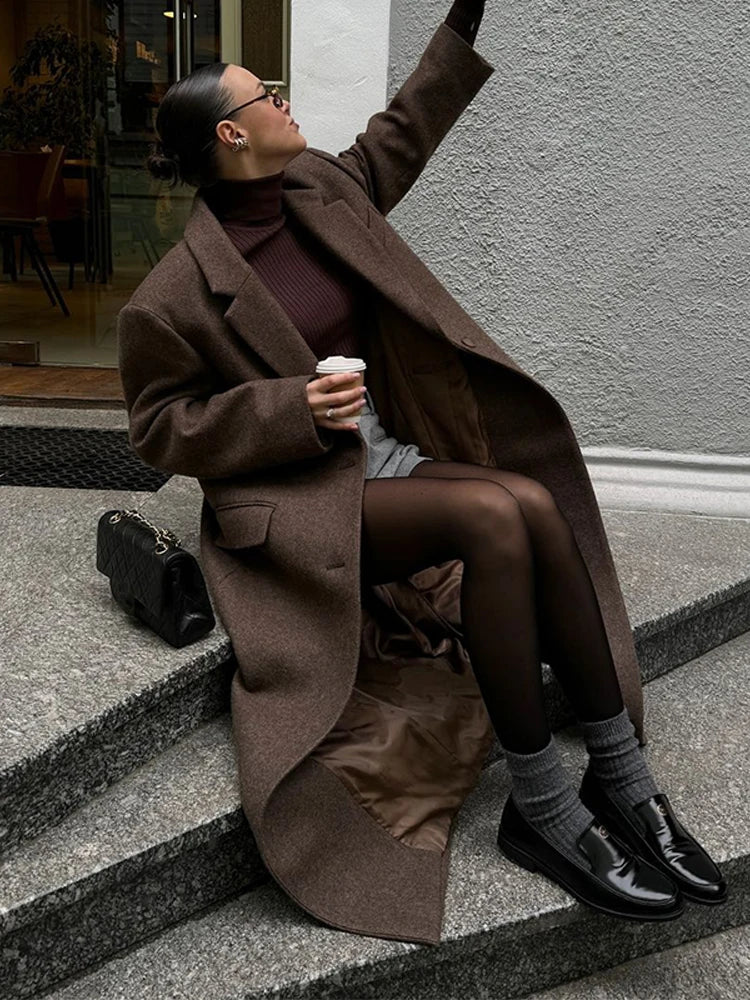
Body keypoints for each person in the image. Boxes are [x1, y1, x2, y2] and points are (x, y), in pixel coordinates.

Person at [120, 0, 725, 943]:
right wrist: (287, 409)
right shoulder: (173, 296)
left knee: (534, 503)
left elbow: (400, 134)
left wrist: (464, 17)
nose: (284, 99)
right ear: (232, 135)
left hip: (389, 458)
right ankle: (544, 807)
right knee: (494, 516)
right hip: (302, 500)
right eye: (266, 95)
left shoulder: (319, 187)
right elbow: (160, 428)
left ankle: (621, 776)